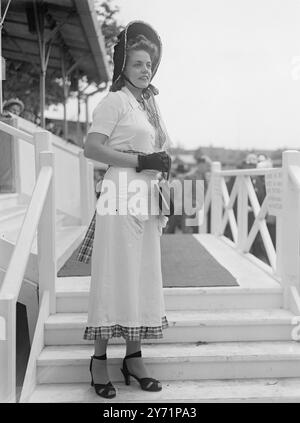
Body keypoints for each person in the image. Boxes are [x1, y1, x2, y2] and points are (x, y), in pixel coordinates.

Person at [81, 21, 172, 399]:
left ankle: (133, 358)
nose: (145, 70)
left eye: (148, 65)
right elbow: (92, 148)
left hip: (146, 196)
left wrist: (159, 167)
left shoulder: (146, 103)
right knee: (113, 273)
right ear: (123, 67)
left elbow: (156, 147)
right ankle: (99, 361)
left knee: (140, 275)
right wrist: (140, 161)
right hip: (120, 192)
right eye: (137, 64)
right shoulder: (115, 100)